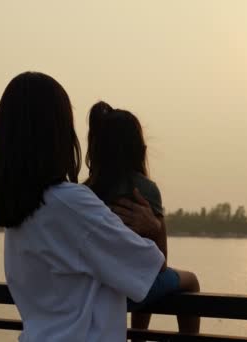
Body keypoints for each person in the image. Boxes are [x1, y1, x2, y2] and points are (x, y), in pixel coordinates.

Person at [0, 72, 166, 342]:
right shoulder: (72, 204)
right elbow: (150, 267)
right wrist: (155, 227)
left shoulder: (22, 213)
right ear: (56, 131)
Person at [84, 101, 200, 339]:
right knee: (191, 281)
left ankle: (138, 333)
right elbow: (161, 263)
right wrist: (156, 228)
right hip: (131, 291)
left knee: (142, 272)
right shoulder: (145, 190)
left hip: (94, 292)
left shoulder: (84, 192)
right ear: (139, 149)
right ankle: (141, 335)